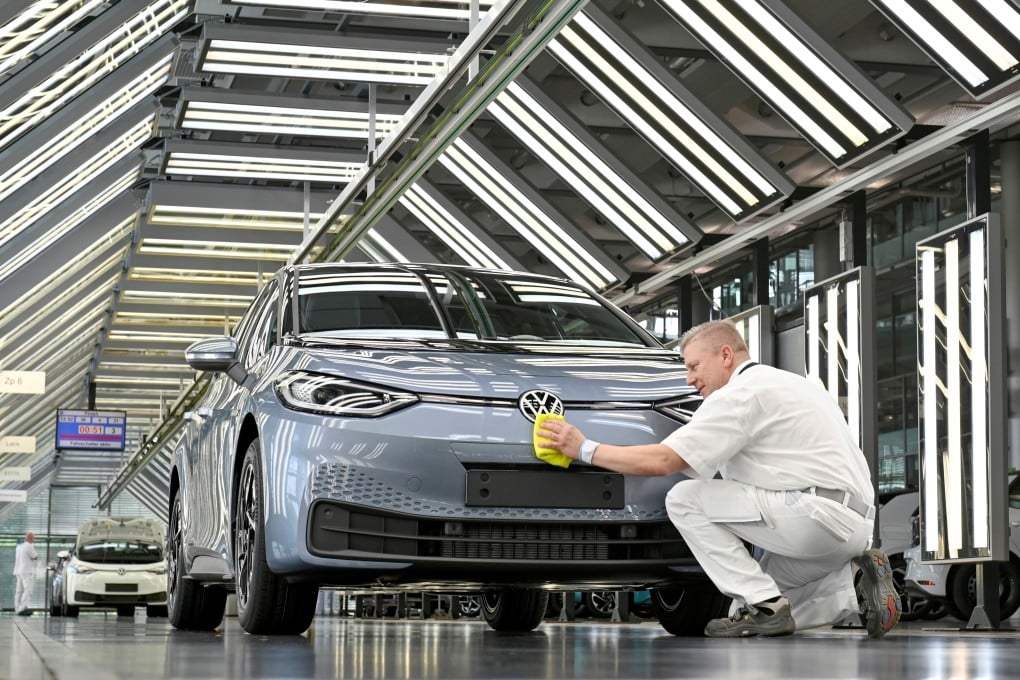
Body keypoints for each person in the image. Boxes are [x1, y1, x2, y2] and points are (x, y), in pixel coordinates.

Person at [536, 319, 900, 638]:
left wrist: (582, 448)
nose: (690, 379)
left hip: (813, 519)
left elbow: (664, 460)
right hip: (855, 529)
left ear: (725, 355)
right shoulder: (798, 385)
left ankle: (766, 606)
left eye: (694, 366)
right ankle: (855, 587)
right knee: (746, 608)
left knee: (684, 498)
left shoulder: (738, 395)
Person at [13, 531, 39, 616]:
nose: (33, 540)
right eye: (33, 538)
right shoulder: (29, 545)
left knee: (19, 591)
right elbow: (35, 557)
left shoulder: (19, 547)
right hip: (26, 571)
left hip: (18, 571)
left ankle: (17, 609)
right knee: (28, 590)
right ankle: (22, 608)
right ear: (29, 538)